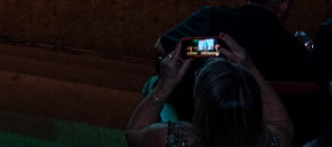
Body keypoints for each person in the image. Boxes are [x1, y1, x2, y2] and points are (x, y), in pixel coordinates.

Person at [155, 0, 311, 121]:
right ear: (284, 5)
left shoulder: (211, 20)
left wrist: (207, 50)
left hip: (198, 121)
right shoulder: (292, 48)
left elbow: (163, 47)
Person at [126, 33, 294, 147]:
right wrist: (251, 69)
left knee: (151, 85)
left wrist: (164, 85)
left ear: (200, 101)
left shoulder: (167, 138)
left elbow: (134, 132)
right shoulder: (272, 141)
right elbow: (283, 124)